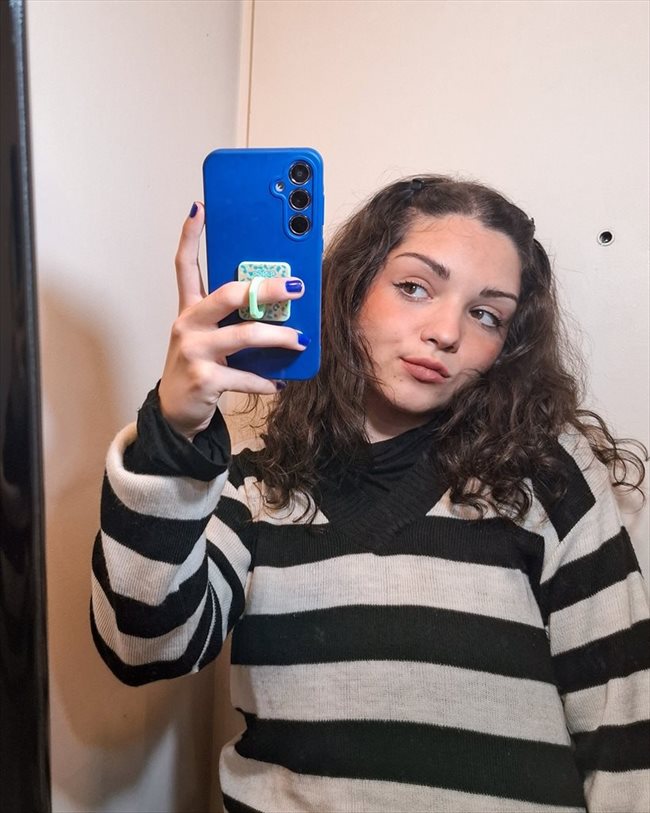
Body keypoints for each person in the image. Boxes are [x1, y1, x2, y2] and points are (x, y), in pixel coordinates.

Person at [91, 176, 649, 813]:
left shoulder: (547, 478)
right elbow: (144, 647)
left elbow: (625, 730)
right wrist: (174, 430)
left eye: (486, 314)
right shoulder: (255, 488)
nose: (446, 332)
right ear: (350, 290)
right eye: (415, 287)